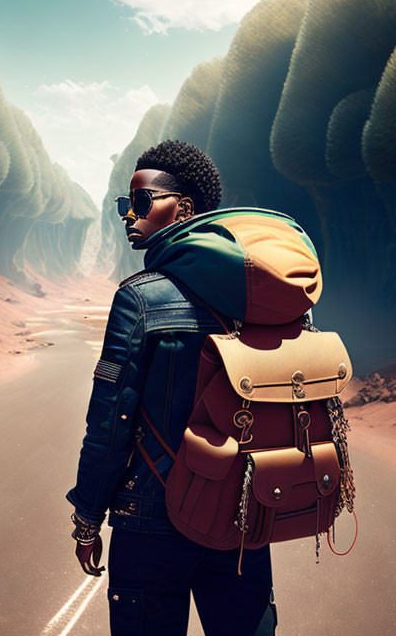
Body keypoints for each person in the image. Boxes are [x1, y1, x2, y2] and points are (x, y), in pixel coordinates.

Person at [66, 140, 276, 636]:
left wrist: (88, 518)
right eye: (125, 204)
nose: (127, 215)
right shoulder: (260, 299)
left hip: (150, 518)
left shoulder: (138, 299)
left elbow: (110, 423)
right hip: (240, 513)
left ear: (182, 209)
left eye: (140, 202)